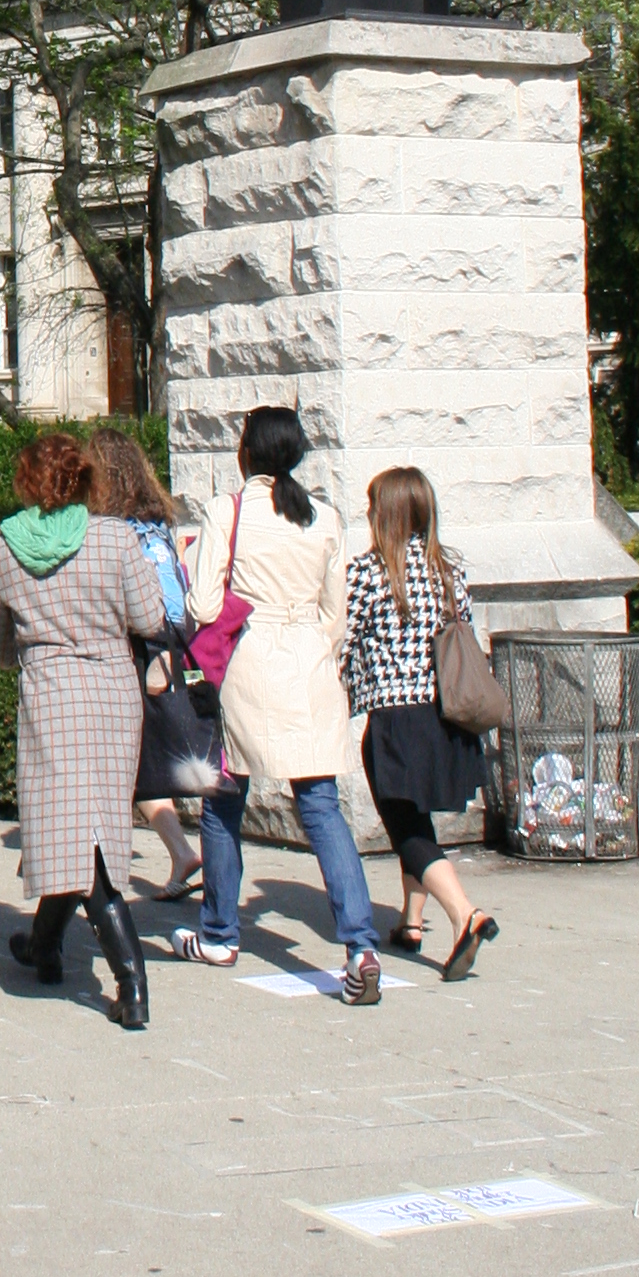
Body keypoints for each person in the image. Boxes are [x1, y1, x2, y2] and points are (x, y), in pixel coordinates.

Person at [178, 404, 381, 1003]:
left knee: (223, 801)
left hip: (250, 661)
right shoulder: (325, 517)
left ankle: (219, 932)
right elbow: (336, 614)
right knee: (320, 806)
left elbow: (203, 605)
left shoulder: (228, 510)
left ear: (248, 452)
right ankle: (361, 944)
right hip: (311, 663)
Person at [0, 433, 166, 1030]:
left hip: (51, 696)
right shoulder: (115, 538)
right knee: (90, 827)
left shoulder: (2, 548)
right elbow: (150, 617)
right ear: (84, 478)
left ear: (26, 481)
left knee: (71, 830)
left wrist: (32, 648)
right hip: (112, 696)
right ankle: (45, 946)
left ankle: (131, 982)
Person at [344, 465, 500, 981]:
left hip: (394, 721)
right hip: (444, 717)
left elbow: (344, 643)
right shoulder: (449, 571)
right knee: (418, 816)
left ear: (385, 514)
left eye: (372, 506)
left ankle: (464, 914)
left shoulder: (368, 573)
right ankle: (411, 921)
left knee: (404, 825)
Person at [83, 429, 205, 899]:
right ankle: (180, 852)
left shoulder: (113, 530)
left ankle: (168, 852)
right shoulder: (157, 524)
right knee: (146, 755)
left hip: (135, 647)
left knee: (131, 758)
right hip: (170, 645)